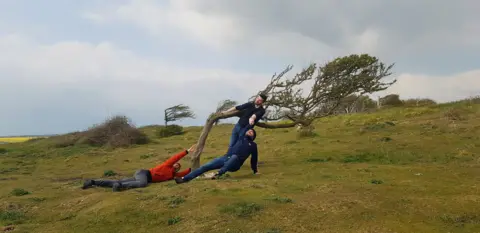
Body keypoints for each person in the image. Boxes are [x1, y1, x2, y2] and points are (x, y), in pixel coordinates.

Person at [81, 144, 197, 192]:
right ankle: (120, 186)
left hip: (142, 176)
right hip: (144, 174)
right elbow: (175, 158)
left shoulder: (173, 175)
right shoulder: (167, 165)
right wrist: (187, 151)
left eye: (178, 167)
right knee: (142, 184)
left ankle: (93, 182)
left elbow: (184, 173)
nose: (176, 166)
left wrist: (195, 169)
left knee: (116, 181)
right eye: (176, 165)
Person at [175, 128, 258, 184]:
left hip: (236, 163)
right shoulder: (240, 138)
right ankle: (183, 179)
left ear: (253, 136)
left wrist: (255, 171)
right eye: (248, 130)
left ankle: (219, 174)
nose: (249, 131)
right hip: (225, 158)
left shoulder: (253, 145)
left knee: (234, 157)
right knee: (205, 167)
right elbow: (243, 127)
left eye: (251, 132)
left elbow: (254, 159)